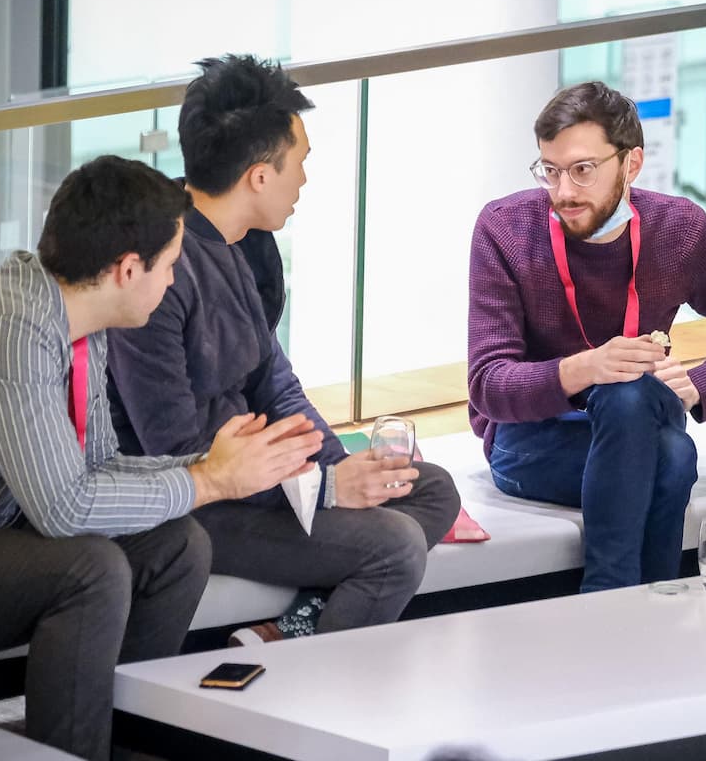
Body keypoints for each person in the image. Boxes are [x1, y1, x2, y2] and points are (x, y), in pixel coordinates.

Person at [0, 155, 324, 760]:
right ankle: (69, 751)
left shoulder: (76, 319)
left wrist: (208, 466)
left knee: (178, 546)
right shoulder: (9, 327)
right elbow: (65, 509)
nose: (174, 282)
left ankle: (130, 745)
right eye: (171, 266)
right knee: (90, 569)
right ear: (128, 269)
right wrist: (210, 481)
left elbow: (93, 470)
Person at [106, 54, 461, 643]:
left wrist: (335, 464)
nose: (304, 179)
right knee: (394, 547)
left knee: (429, 487)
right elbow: (176, 452)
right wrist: (322, 489)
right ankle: (304, 700)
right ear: (260, 176)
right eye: (300, 163)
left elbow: (276, 380)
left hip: (260, 477)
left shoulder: (241, 244)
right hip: (197, 500)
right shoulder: (156, 269)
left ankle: (291, 630)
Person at [467, 81, 706, 592]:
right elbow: (488, 384)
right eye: (549, 171)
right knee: (672, 453)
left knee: (631, 396)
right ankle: (638, 599)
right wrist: (585, 368)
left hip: (641, 419)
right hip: (535, 442)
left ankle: (610, 597)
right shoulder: (506, 228)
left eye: (582, 170)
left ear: (631, 163)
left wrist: (698, 385)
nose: (564, 192)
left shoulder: (678, 228)